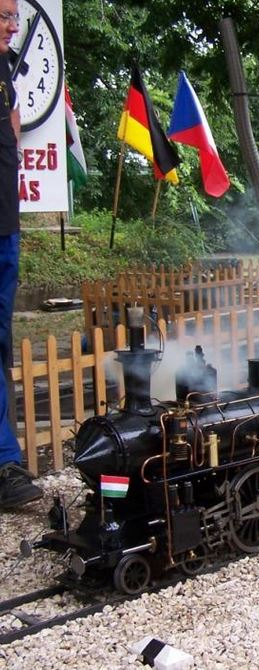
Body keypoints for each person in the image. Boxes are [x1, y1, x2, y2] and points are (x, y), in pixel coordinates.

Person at [0, 0, 43, 509]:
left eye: (15, 17)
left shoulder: (7, 76)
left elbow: (12, 133)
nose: (13, 26)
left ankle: (5, 463)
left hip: (6, 227)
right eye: (4, 16)